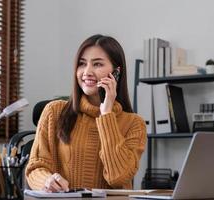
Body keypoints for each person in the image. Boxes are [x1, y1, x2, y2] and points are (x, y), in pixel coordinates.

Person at [25, 34, 146, 192]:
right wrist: (46, 181)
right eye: (82, 64)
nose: (87, 72)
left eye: (97, 64)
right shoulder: (53, 112)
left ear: (116, 72)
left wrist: (106, 116)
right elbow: (35, 167)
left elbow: (118, 177)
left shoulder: (134, 124)